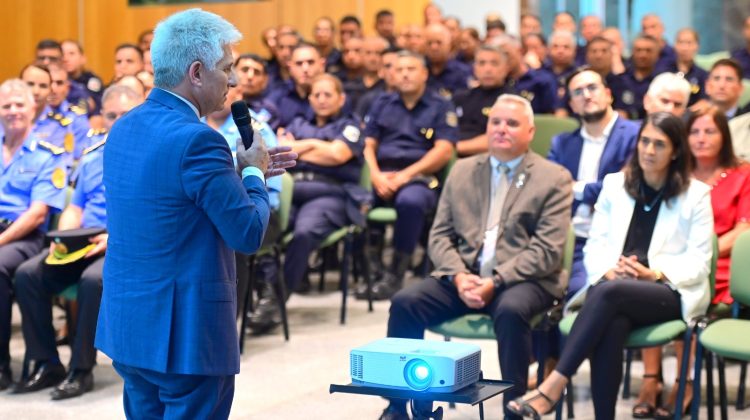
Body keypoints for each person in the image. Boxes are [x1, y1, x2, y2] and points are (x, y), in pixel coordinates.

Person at [94, 9, 295, 419]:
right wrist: (254, 171)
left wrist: (229, 176)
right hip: (184, 335)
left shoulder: (124, 126)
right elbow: (248, 233)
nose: (235, 81)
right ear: (198, 72)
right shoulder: (199, 140)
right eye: (228, 68)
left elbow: (169, 198)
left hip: (131, 324)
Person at [378, 94, 573, 420]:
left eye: (512, 123)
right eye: (495, 122)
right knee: (405, 303)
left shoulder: (554, 177)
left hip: (523, 280)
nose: (501, 129)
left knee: (511, 311)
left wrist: (496, 281)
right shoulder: (463, 170)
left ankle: (515, 409)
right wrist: (457, 275)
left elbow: (547, 251)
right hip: (463, 276)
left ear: (530, 131)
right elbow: (439, 235)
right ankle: (402, 406)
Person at [508, 112, 713, 420]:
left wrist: (655, 273)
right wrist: (607, 270)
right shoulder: (616, 185)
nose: (649, 150)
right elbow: (595, 245)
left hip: (668, 291)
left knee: (608, 294)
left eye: (659, 144)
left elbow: (699, 262)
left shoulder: (695, 196)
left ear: (675, 152)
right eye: (644, 141)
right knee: (612, 321)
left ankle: (554, 383)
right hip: (615, 287)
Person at [11, 85, 142, 400]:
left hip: (127, 243)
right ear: (104, 119)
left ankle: (81, 369)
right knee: (28, 274)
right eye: (112, 115)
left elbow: (153, 212)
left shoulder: (150, 156)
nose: (119, 121)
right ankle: (47, 363)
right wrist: (63, 238)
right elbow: (75, 207)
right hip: (85, 241)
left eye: (126, 114)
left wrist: (114, 238)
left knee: (92, 281)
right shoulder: (94, 155)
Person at [636, 107, 750, 419]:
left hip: (723, 263)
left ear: (724, 136)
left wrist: (706, 252)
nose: (701, 139)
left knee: (687, 292)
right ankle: (650, 380)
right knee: (648, 285)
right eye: (694, 132)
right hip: (673, 260)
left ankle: (684, 383)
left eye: (709, 131)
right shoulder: (675, 174)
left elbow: (744, 230)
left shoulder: (743, 174)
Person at [251, 74, 364, 329]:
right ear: (309, 98)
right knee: (263, 224)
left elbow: (338, 155)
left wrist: (305, 146)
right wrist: (318, 147)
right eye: (316, 95)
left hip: (331, 193)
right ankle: (260, 295)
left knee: (304, 232)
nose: (322, 100)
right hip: (293, 190)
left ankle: (276, 303)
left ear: (341, 98)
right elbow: (280, 151)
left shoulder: (349, 126)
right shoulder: (298, 122)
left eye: (328, 95)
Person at [356, 50, 456, 301]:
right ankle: (370, 270)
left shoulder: (440, 105)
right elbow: (368, 145)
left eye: (411, 69)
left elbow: (444, 151)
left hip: (419, 177)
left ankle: (395, 273)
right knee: (355, 198)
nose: (404, 74)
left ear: (424, 73)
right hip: (382, 175)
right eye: (399, 70)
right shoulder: (382, 103)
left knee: (410, 202)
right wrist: (376, 175)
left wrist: (404, 176)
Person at [549, 68, 640, 302]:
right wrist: (596, 189)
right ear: (572, 104)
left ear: (608, 94)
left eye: (592, 88)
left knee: (582, 293)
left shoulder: (635, 135)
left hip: (615, 239)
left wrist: (576, 188)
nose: (586, 95)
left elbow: (625, 187)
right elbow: (551, 189)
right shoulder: (561, 143)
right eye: (578, 92)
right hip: (566, 237)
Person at [0, 79, 68, 391]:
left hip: (24, 236)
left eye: (19, 105)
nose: (13, 111)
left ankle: (1, 365)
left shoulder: (47, 154)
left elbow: (38, 213)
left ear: (32, 110)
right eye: (6, 105)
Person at [454, 45, 511, 157]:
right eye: (482, 63)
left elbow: (500, 139)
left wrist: (454, 147)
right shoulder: (460, 97)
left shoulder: (511, 102)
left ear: (505, 68)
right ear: (474, 68)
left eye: (494, 63)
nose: (488, 69)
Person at [269, 43, 324, 128]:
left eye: (310, 62)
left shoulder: (335, 96)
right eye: (299, 63)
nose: (305, 69)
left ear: (322, 65)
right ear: (290, 67)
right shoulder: (278, 95)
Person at [612, 34, 663, 120]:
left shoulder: (662, 82)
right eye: (638, 50)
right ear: (632, 52)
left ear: (657, 54)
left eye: (648, 50)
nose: (643, 55)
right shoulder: (619, 80)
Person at [424, 24, 471, 100]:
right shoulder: (418, 71)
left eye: (439, 42)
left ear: (449, 45)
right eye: (429, 43)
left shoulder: (463, 72)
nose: (434, 47)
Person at [663, 29, 707, 107]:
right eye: (680, 42)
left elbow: (704, 101)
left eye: (689, 43)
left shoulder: (703, 75)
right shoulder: (664, 71)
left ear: (697, 46)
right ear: (675, 45)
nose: (684, 48)